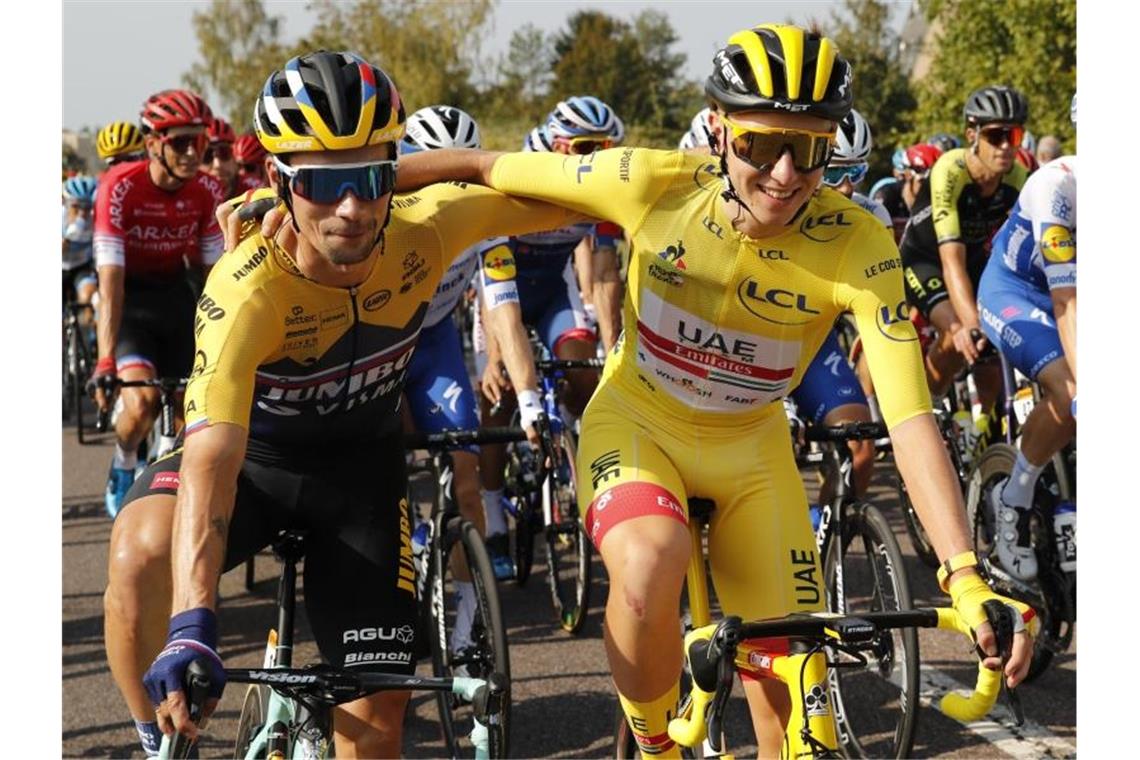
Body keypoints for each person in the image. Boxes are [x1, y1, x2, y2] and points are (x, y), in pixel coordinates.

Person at [395, 24, 1035, 757]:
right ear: (722, 130)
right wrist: (322, 189)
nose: (787, 173)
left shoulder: (858, 240)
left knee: (802, 730)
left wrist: (963, 574)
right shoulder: (652, 182)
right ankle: (657, 743)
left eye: (813, 149)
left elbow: (911, 416)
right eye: (763, 144)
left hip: (753, 453)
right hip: (639, 424)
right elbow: (482, 167)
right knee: (649, 560)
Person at [101, 50, 577, 759]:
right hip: (252, 467)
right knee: (139, 554)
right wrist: (194, 619)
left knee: (379, 714)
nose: (351, 209)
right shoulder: (245, 286)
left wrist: (462, 163)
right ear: (279, 181)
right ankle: (155, 735)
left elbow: (571, 193)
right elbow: (211, 457)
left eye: (371, 178)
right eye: (323, 184)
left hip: (360, 478)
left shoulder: (426, 227)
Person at [475, 98, 624, 578]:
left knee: (587, 382)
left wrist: (612, 348)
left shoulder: (597, 194)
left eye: (605, 149)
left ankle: (595, 481)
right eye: (586, 148)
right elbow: (500, 303)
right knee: (496, 400)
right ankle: (494, 520)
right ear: (559, 145)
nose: (597, 158)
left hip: (554, 295)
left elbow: (602, 279)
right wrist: (500, 361)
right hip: (502, 298)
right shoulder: (516, 187)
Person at [91, 89, 226, 518]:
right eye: (179, 142)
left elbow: (215, 278)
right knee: (143, 404)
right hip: (130, 303)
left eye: (199, 142)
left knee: (194, 415)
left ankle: (166, 488)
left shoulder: (207, 188)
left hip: (175, 298)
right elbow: (110, 279)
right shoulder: (120, 186)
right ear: (153, 144)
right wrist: (106, 360)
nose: (192, 152)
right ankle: (125, 459)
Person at [976, 135, 1076, 581]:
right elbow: (1067, 303)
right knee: (1072, 389)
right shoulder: (1058, 186)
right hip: (1013, 291)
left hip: (1072, 297)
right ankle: (1012, 496)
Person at [899, 85, 1029, 404]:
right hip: (924, 260)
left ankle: (986, 434)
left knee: (987, 358)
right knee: (958, 333)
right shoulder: (951, 169)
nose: (1005, 147)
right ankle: (925, 409)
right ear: (972, 135)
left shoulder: (1017, 177)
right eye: (995, 136)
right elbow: (951, 263)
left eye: (1014, 136)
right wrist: (971, 325)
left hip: (976, 265)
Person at [62, 175, 99, 312]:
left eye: (87, 207)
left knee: (89, 296)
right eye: (76, 206)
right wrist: (69, 237)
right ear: (66, 203)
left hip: (81, 267)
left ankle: (89, 330)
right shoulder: (60, 217)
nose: (82, 213)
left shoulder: (95, 217)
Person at [201, 116, 242, 196]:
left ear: (235, 160)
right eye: (207, 155)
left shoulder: (253, 191)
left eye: (224, 153)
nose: (218, 165)